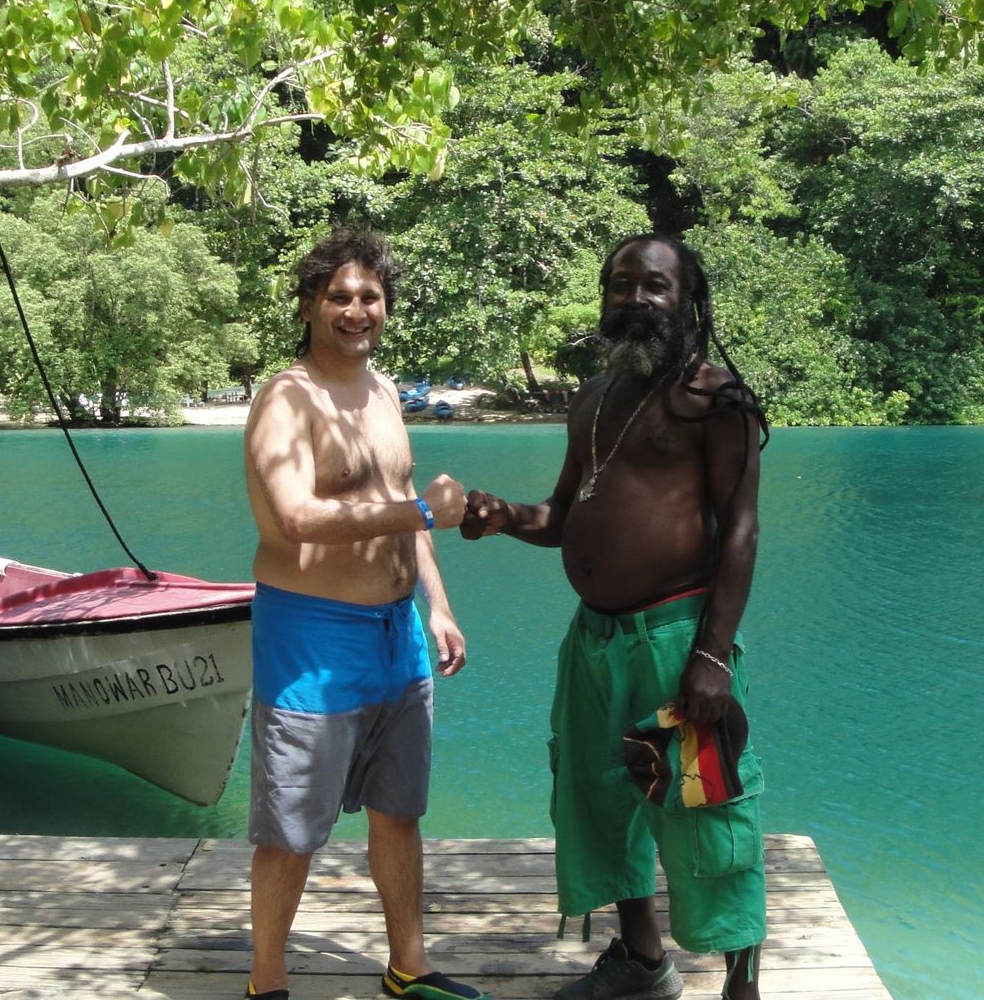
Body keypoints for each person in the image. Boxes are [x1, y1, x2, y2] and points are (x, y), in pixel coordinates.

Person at [462, 234, 770, 1000]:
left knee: (706, 806)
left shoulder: (714, 397)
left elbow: (741, 529)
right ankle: (641, 960)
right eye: (621, 284)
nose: (634, 299)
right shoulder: (595, 397)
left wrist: (714, 656)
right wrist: (503, 516)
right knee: (601, 793)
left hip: (674, 639)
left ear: (687, 299)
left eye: (654, 286)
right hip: (594, 642)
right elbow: (563, 515)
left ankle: (741, 982)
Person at [241, 226, 489, 1000]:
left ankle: (408, 966)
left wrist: (438, 607)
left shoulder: (384, 393)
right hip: (311, 637)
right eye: (339, 296)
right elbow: (293, 519)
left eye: (370, 297)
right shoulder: (288, 398)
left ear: (386, 307)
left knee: (398, 809)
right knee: (291, 832)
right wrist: (419, 506)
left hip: (398, 636)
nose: (356, 310)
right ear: (311, 303)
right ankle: (268, 983)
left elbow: (407, 522)